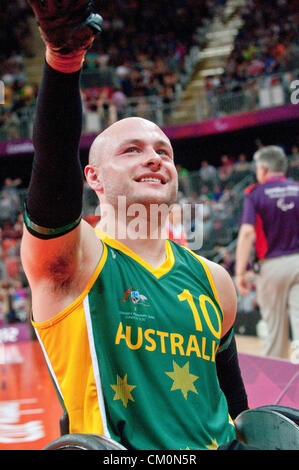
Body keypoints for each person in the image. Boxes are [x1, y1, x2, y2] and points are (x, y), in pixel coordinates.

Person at [21, 0, 249, 450]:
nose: (154, 159)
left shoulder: (215, 281)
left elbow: (236, 409)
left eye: (163, 152)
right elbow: (51, 173)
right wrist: (64, 61)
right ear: (94, 178)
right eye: (132, 150)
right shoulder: (75, 260)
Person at [235, 146, 299, 359]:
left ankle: (277, 384)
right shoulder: (297, 188)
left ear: (263, 168)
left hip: (272, 266)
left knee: (275, 333)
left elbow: (246, 234)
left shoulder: (255, 193)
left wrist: (241, 273)